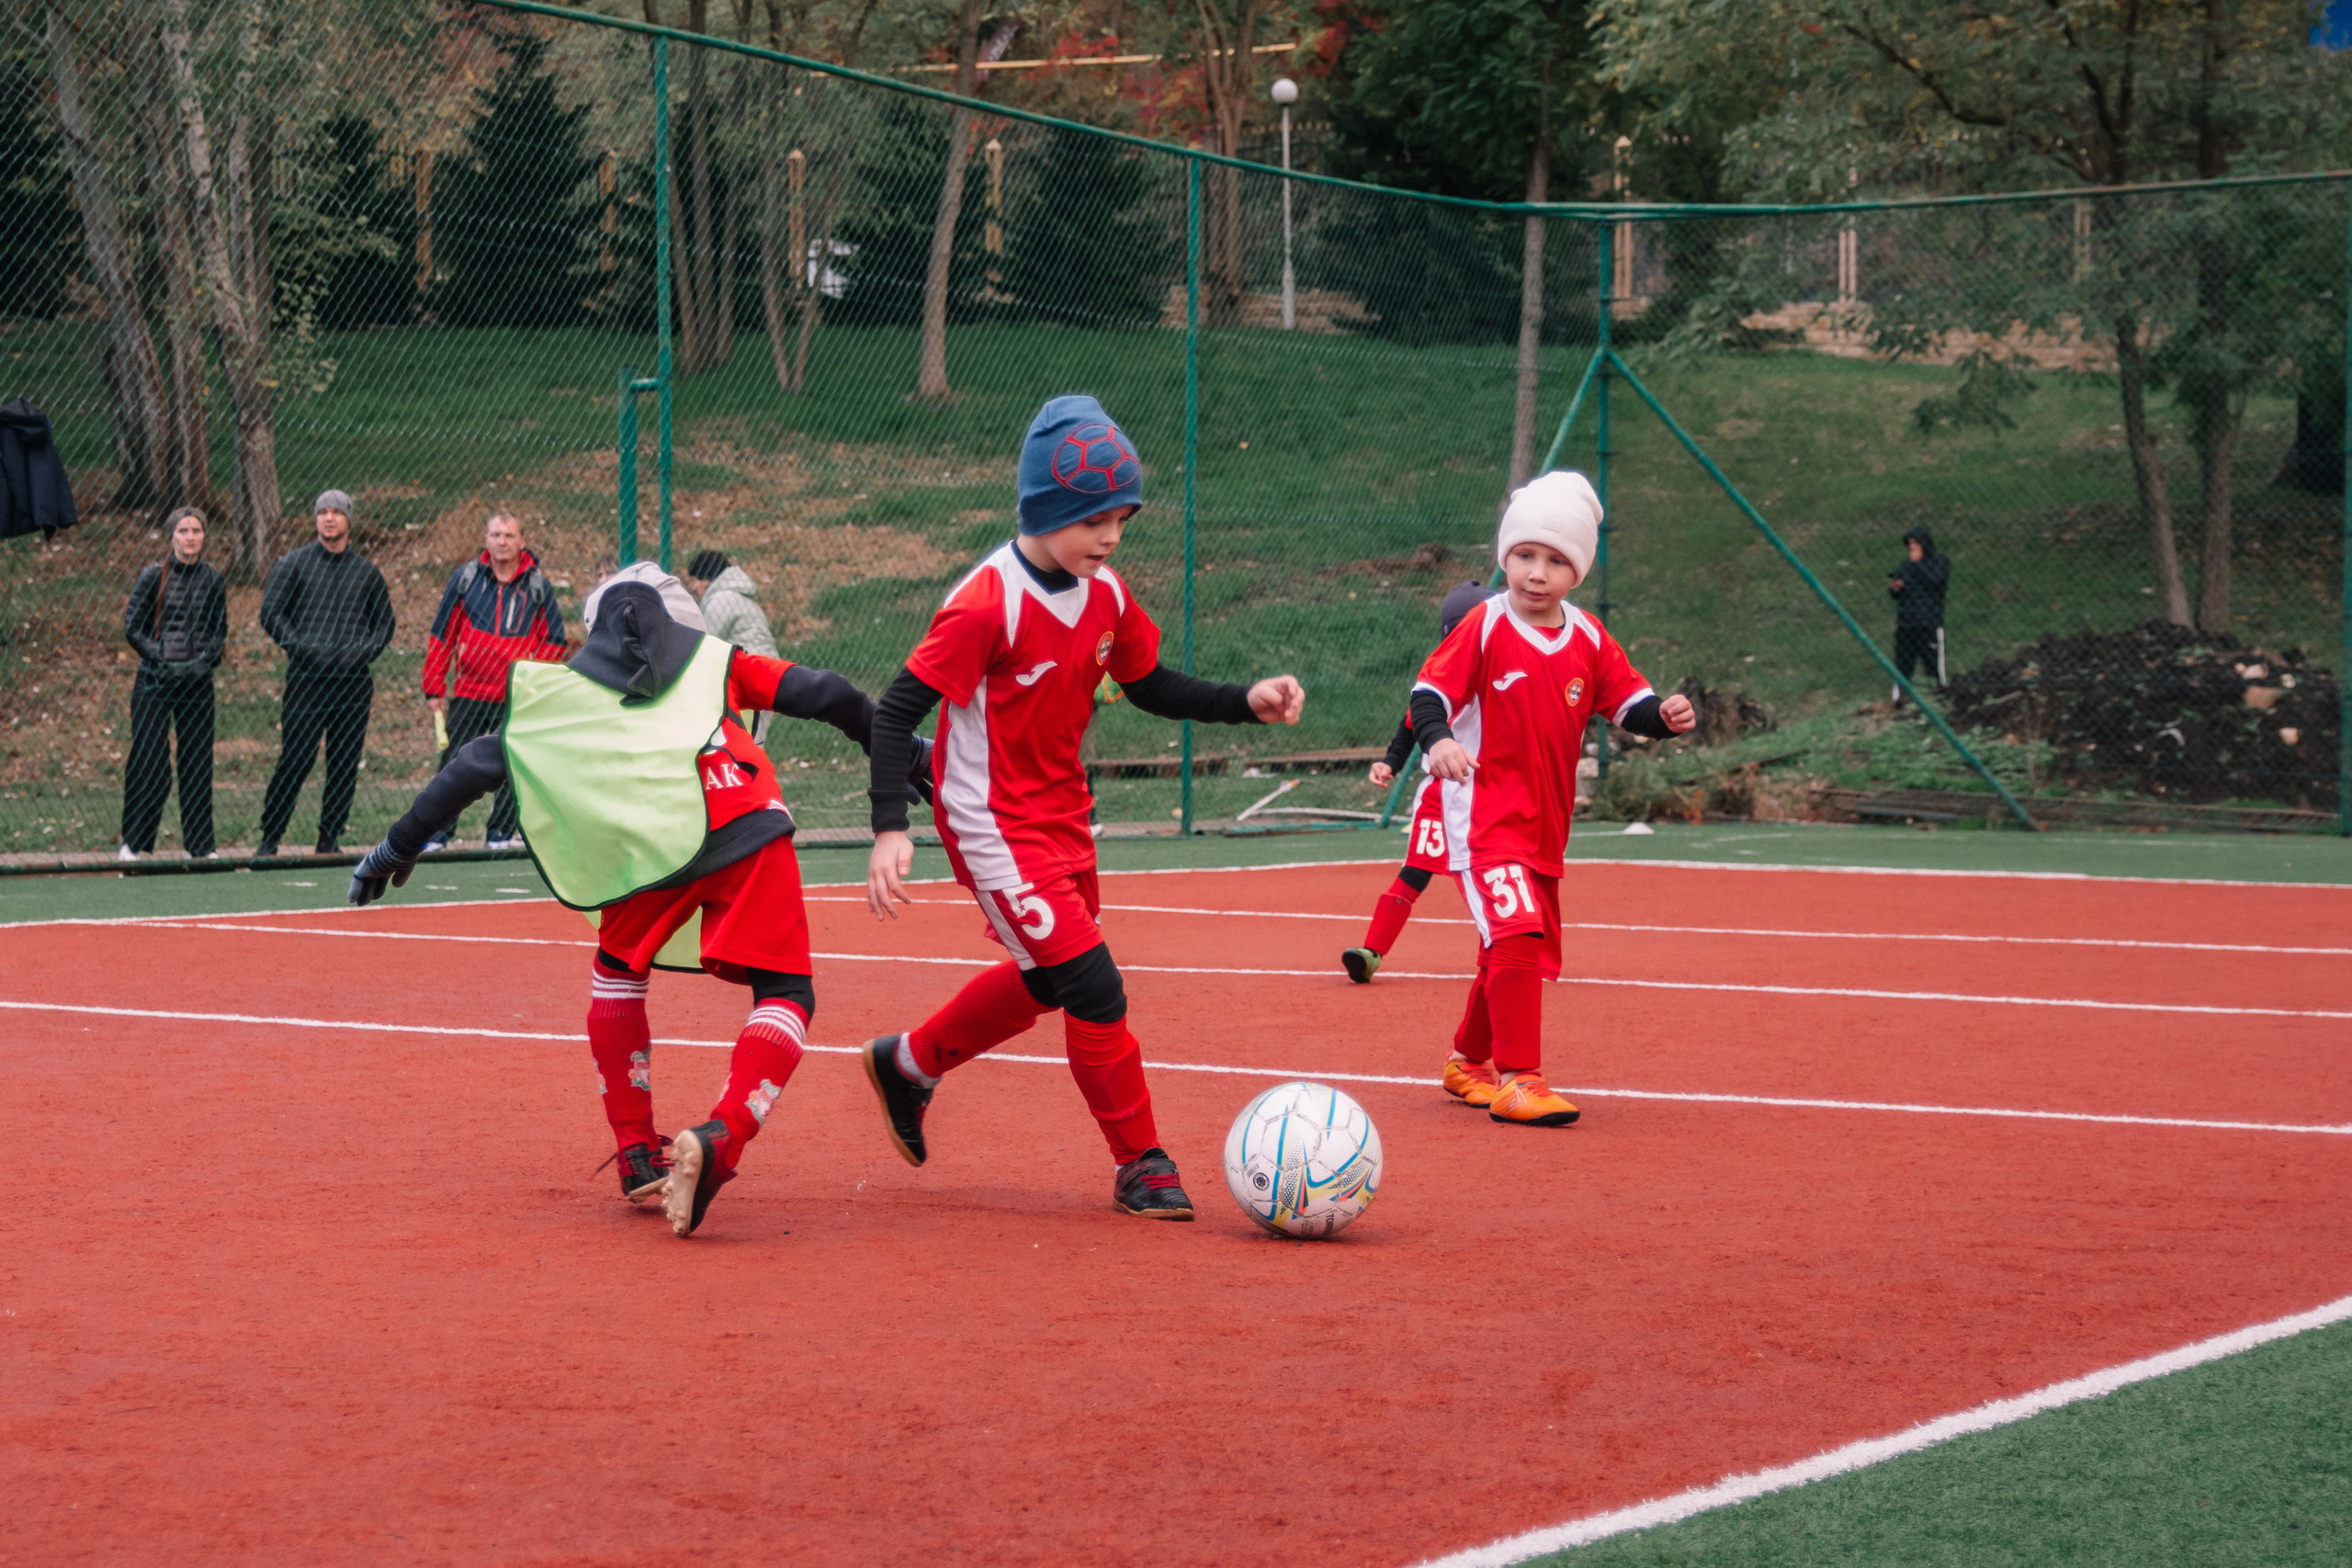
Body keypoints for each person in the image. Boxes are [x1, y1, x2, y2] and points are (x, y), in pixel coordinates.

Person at [346, 563, 933, 1238]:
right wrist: (902, 749)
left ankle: (635, 1153)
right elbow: (824, 691)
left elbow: (478, 763)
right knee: (786, 990)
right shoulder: (716, 660)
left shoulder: (567, 691)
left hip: (647, 844)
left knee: (618, 973)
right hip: (744, 819)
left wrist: (398, 845)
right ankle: (725, 1132)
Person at [860, 395, 1306, 1219]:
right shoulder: (985, 602)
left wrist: (1248, 699)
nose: (1109, 536)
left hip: (1062, 815)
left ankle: (908, 1064)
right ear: (1045, 509)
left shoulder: (1104, 593)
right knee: (1095, 985)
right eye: (1094, 518)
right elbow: (894, 713)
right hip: (991, 823)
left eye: (1122, 519)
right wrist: (892, 824)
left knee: (1047, 982)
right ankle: (1142, 1163)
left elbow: (1150, 684)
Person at [1411, 471, 1696, 1126]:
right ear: (1505, 556)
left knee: (1508, 948)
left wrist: (1665, 715)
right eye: (1524, 554)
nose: (1537, 572)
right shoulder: (1484, 624)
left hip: (1545, 826)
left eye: (1557, 559)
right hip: (1481, 815)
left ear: (1579, 571)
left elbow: (1630, 704)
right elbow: (1429, 692)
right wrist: (1438, 742)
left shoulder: (1588, 637)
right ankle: (1520, 1078)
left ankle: (1466, 1062)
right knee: (1517, 931)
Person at [1340, 579, 1496, 987]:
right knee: (1416, 869)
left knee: (1493, 871)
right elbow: (1411, 723)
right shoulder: (1441, 675)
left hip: (1493, 791)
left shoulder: (1512, 673)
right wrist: (1390, 762)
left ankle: (1507, 948)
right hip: (1441, 793)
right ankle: (1371, 951)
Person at [256, 490, 394, 856]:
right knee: (296, 758)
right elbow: (271, 613)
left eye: (336, 512)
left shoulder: (366, 572)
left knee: (344, 761)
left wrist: (361, 653)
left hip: (352, 684)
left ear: (349, 520)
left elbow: (385, 625)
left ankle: (328, 838)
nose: (328, 518)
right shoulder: (294, 564)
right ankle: (270, 838)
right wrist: (301, 648)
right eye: (322, 512)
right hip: (307, 680)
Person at [420, 511, 568, 849]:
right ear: (486, 539)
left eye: (509, 536)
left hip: (515, 697)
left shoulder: (537, 586)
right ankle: (440, 832)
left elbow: (555, 642)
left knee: (512, 764)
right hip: (470, 692)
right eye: (496, 535)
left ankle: (499, 832)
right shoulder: (466, 579)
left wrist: (528, 676)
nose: (502, 541)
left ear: (522, 542)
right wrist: (434, 687)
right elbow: (443, 635)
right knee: (455, 765)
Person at [119, 506, 226, 861]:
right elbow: (133, 629)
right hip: (154, 684)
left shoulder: (213, 580)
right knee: (150, 762)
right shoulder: (153, 576)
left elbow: (218, 633)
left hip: (197, 687)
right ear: (172, 537)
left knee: (196, 764)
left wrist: (203, 660)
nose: (190, 536)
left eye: (196, 530)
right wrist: (161, 657)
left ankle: (200, 847)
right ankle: (135, 845)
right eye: (183, 530)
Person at [684, 548, 778, 743]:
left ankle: (749, 772)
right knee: (751, 740)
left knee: (746, 743)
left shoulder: (721, 600)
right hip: (765, 673)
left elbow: (707, 644)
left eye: (696, 580)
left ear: (707, 579)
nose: (693, 587)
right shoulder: (736, 596)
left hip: (753, 676)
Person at [1887, 526, 1950, 698]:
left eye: (1916, 546)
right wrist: (1895, 588)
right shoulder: (1905, 566)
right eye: (1910, 547)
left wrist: (1919, 564)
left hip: (1928, 623)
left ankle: (1940, 696)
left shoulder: (1939, 562)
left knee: (1932, 665)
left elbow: (1936, 582)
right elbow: (1895, 594)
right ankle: (1899, 698)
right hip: (1907, 624)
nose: (1912, 550)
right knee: (1903, 664)